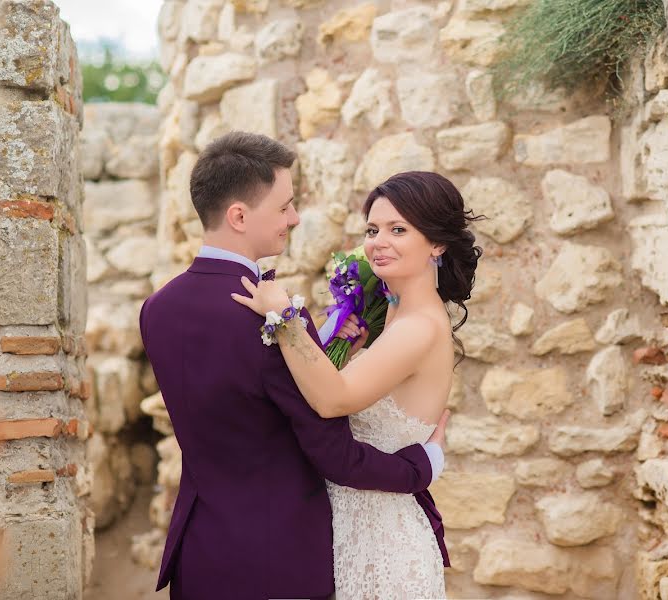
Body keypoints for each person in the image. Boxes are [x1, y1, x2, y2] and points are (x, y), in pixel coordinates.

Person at [139, 132, 449, 600]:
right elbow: (334, 453)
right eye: (284, 206)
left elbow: (233, 408)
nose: (295, 218)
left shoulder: (157, 309)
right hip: (280, 557)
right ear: (239, 216)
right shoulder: (274, 320)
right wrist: (420, 467)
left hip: (199, 551)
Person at [233, 170, 482, 599]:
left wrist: (285, 317)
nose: (378, 242)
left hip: (382, 543)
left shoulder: (419, 327)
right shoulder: (397, 319)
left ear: (437, 244)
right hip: (357, 527)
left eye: (398, 229)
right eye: (372, 229)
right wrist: (347, 348)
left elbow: (332, 401)